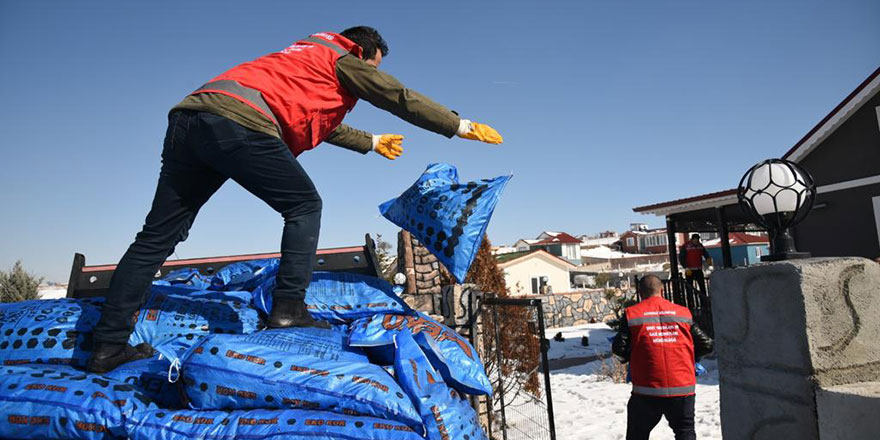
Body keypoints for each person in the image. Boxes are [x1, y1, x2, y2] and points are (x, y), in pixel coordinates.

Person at [87, 26, 503, 373]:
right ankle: (288, 308)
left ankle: (107, 346)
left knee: (156, 237)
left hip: (190, 119)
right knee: (304, 206)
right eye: (371, 65)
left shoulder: (301, 59)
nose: (367, 73)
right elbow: (397, 95)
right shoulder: (343, 56)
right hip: (239, 123)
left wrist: (371, 142)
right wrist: (457, 124)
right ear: (363, 51)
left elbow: (312, 120)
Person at [612, 275, 714, 440]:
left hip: (646, 389)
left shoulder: (632, 314)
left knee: (637, 435)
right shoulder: (683, 313)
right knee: (685, 432)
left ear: (640, 293)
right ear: (662, 290)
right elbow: (706, 344)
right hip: (682, 387)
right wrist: (689, 358)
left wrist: (633, 358)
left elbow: (619, 349)